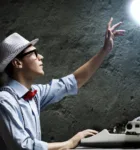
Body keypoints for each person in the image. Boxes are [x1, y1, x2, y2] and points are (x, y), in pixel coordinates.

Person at [0, 18, 125, 150]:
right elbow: (23, 147)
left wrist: (105, 50)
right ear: (17, 63)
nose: (40, 57)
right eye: (34, 53)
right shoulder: (4, 101)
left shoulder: (35, 93)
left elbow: (73, 81)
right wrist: (69, 143)